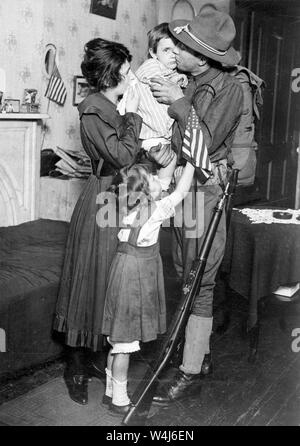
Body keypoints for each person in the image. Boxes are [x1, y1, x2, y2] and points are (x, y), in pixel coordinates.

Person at [53, 37, 173, 406]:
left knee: (109, 281)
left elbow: (131, 150)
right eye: (125, 70)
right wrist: (134, 114)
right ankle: (74, 365)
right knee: (89, 281)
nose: (130, 75)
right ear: (112, 74)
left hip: (120, 196)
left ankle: (92, 358)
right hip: (102, 197)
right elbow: (121, 153)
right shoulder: (93, 107)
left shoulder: (109, 104)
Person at [148, 5, 244, 405]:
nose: (176, 51)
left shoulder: (229, 89)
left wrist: (176, 100)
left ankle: (189, 370)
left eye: (181, 46)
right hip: (184, 192)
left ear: (202, 56)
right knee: (182, 272)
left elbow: (202, 146)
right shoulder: (194, 80)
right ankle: (193, 355)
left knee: (199, 282)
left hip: (205, 191)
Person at [101, 159, 195, 415]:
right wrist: (191, 165)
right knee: (125, 344)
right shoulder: (155, 210)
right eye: (153, 178)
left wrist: (169, 163)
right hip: (135, 278)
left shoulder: (125, 206)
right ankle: (119, 399)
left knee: (117, 339)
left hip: (121, 270)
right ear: (145, 190)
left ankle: (110, 391)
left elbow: (161, 184)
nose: (158, 180)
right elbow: (181, 192)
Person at [118, 22, 187, 173]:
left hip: (161, 133)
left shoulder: (172, 71)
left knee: (166, 164)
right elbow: (156, 80)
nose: (172, 55)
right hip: (149, 133)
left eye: (176, 49)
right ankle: (163, 186)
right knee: (167, 163)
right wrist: (177, 80)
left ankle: (163, 187)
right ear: (153, 53)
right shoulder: (151, 66)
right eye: (166, 50)